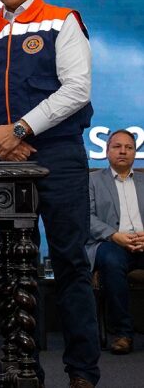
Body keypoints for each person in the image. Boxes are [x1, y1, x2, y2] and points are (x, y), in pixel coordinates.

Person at [0, 0, 100, 388]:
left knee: (71, 263)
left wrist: (18, 129)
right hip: (3, 161)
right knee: (12, 268)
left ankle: (82, 371)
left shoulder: (63, 20)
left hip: (57, 156)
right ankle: (22, 368)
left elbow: (77, 90)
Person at [86, 129, 144, 355]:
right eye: (117, 146)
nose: (123, 151)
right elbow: (85, 216)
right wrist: (113, 235)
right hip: (110, 243)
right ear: (107, 151)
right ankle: (123, 333)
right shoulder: (92, 180)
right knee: (112, 259)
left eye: (129, 147)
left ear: (135, 153)